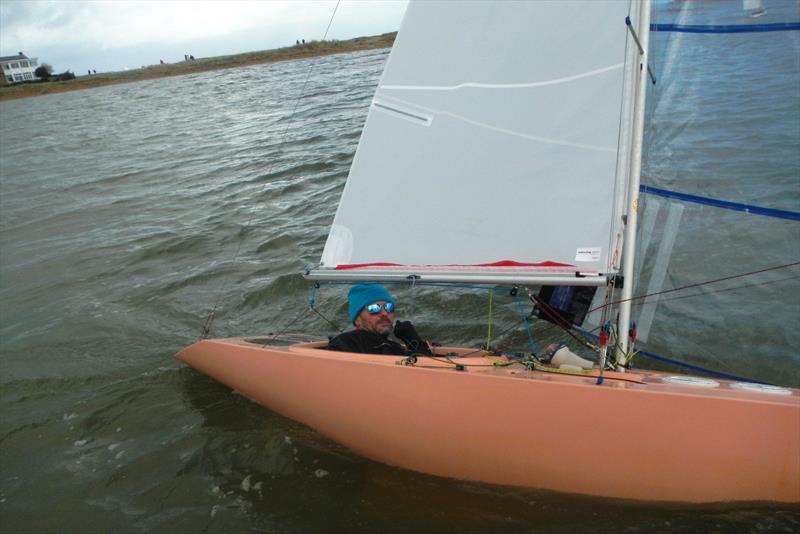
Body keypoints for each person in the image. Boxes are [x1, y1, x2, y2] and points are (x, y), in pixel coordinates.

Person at [328, 283, 433, 355]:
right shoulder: (345, 343)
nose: (384, 313)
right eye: (374, 308)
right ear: (357, 320)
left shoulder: (393, 346)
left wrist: (413, 340)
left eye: (388, 307)